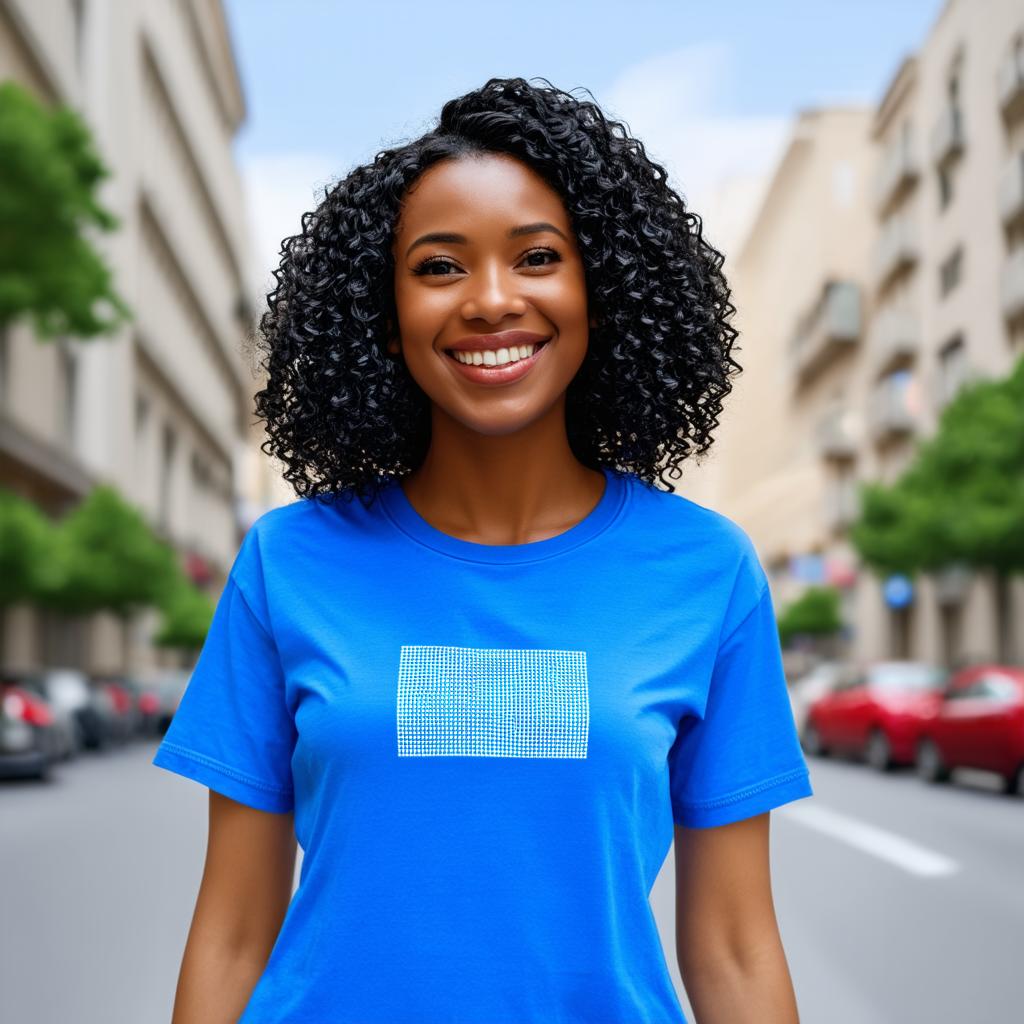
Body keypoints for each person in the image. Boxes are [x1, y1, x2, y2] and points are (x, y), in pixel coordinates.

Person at [152, 75, 813, 1024]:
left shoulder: (707, 573)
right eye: (438, 267)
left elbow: (737, 947)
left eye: (539, 256)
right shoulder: (287, 563)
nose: (492, 300)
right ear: (384, 317)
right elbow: (231, 930)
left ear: (603, 290)